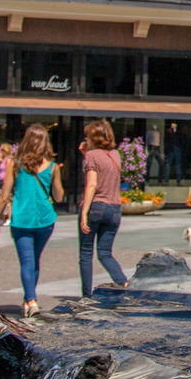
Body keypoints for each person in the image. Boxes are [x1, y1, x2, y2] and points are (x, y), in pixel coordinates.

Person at [0, 123, 63, 316]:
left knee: (27, 261)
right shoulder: (52, 166)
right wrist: (56, 177)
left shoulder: (14, 164)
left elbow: (4, 196)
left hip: (22, 219)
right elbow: (58, 197)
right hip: (44, 220)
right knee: (34, 260)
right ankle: (28, 300)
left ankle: (31, 301)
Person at [77, 119, 129, 295]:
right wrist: (87, 154)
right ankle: (123, 282)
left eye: (87, 136)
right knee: (105, 253)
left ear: (94, 137)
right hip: (114, 209)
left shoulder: (92, 156)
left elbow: (92, 185)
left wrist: (84, 212)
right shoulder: (115, 155)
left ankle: (87, 295)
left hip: (96, 207)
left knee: (85, 253)